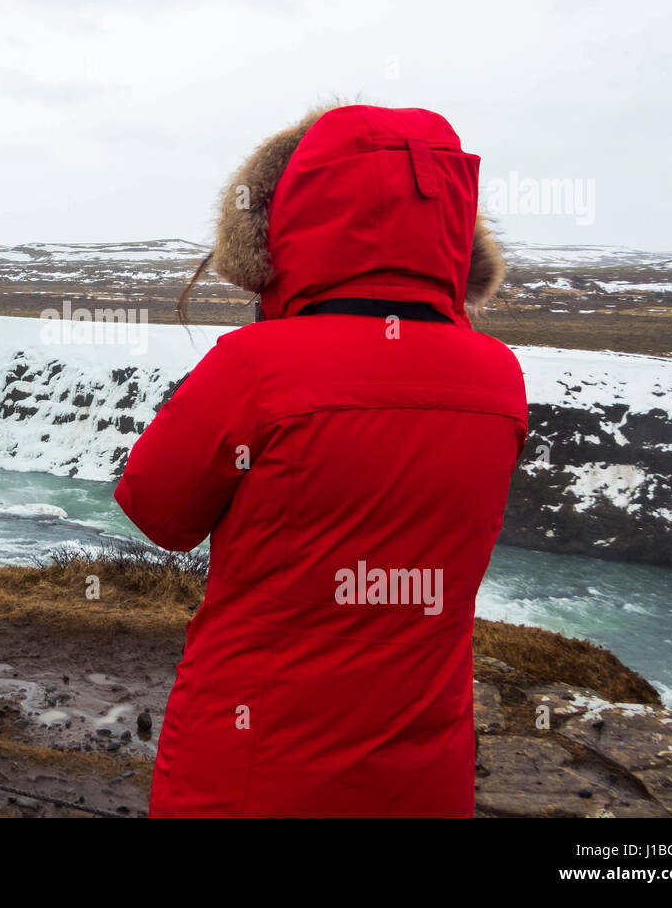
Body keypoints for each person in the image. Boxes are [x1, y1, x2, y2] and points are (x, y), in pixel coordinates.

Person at [114, 103, 528, 817]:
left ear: (289, 222)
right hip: (422, 774)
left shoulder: (257, 368)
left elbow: (156, 510)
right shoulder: (499, 378)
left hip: (249, 770)